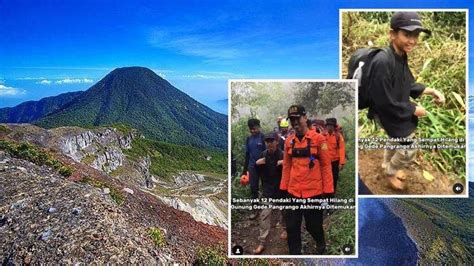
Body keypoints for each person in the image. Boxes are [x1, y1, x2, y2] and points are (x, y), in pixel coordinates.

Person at [366, 12, 445, 190]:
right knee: (409, 148)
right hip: (388, 113)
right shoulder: (383, 61)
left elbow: (407, 84)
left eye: (416, 35)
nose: (412, 40)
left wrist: (430, 91)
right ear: (392, 34)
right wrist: (412, 109)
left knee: (394, 140)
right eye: (407, 34)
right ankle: (391, 171)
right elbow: (383, 101)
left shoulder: (400, 54)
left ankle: (387, 165)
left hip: (395, 109)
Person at [280, 105, 333, 255]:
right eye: (292, 120)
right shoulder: (289, 141)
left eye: (297, 118)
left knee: (313, 225)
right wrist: (283, 189)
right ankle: (295, 254)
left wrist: (328, 191)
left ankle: (320, 242)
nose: (295, 122)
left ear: (305, 117)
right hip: (293, 192)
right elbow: (286, 166)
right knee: (292, 227)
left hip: (313, 192)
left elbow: (326, 165)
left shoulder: (319, 139)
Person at [252, 132, 287, 254]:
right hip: (268, 190)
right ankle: (262, 242)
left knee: (284, 211)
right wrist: (257, 164)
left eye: (272, 141)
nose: (270, 144)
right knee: (264, 215)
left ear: (277, 142)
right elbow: (258, 172)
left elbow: (291, 172)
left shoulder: (283, 155)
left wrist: (284, 164)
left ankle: (285, 228)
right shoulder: (263, 155)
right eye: (267, 141)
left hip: (281, 190)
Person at [241, 118, 266, 204]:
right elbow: (247, 155)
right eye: (251, 129)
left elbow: (268, 154)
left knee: (265, 187)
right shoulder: (249, 139)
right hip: (252, 167)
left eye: (254, 129)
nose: (252, 131)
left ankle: (266, 207)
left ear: (259, 127)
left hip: (263, 167)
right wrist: (244, 171)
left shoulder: (264, 138)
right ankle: (255, 207)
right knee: (253, 187)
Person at [325, 118, 346, 193]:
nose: (329, 127)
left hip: (335, 162)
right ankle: (326, 193)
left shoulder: (338, 136)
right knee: (326, 178)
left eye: (331, 126)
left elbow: (342, 149)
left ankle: (333, 192)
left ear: (334, 127)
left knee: (334, 177)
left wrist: (341, 162)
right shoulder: (322, 136)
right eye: (328, 126)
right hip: (325, 162)